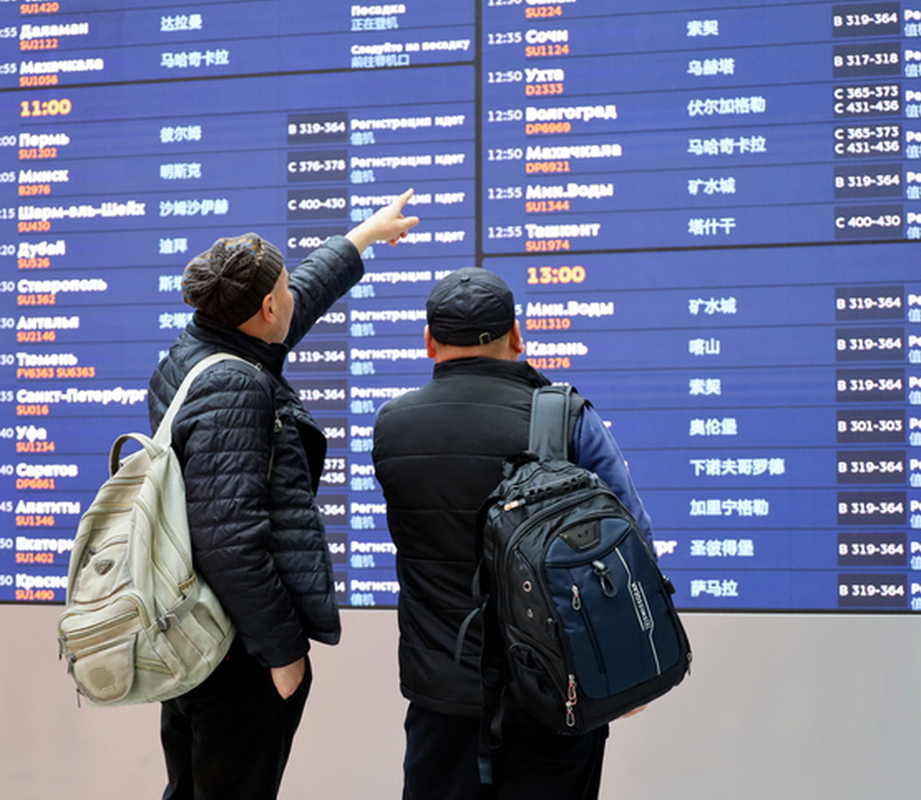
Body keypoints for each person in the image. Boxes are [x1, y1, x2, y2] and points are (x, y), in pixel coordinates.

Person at [148, 190, 420, 800]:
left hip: (195, 628)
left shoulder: (198, 352)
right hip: (235, 650)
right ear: (267, 307)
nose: (296, 296)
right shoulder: (238, 390)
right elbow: (230, 541)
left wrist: (364, 237)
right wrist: (281, 654)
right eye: (286, 290)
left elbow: (299, 296)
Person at [372, 267, 655, 800]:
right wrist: (629, 660)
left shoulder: (392, 425)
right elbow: (631, 540)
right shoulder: (566, 417)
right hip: (557, 692)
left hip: (442, 697)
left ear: (429, 342)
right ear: (517, 336)